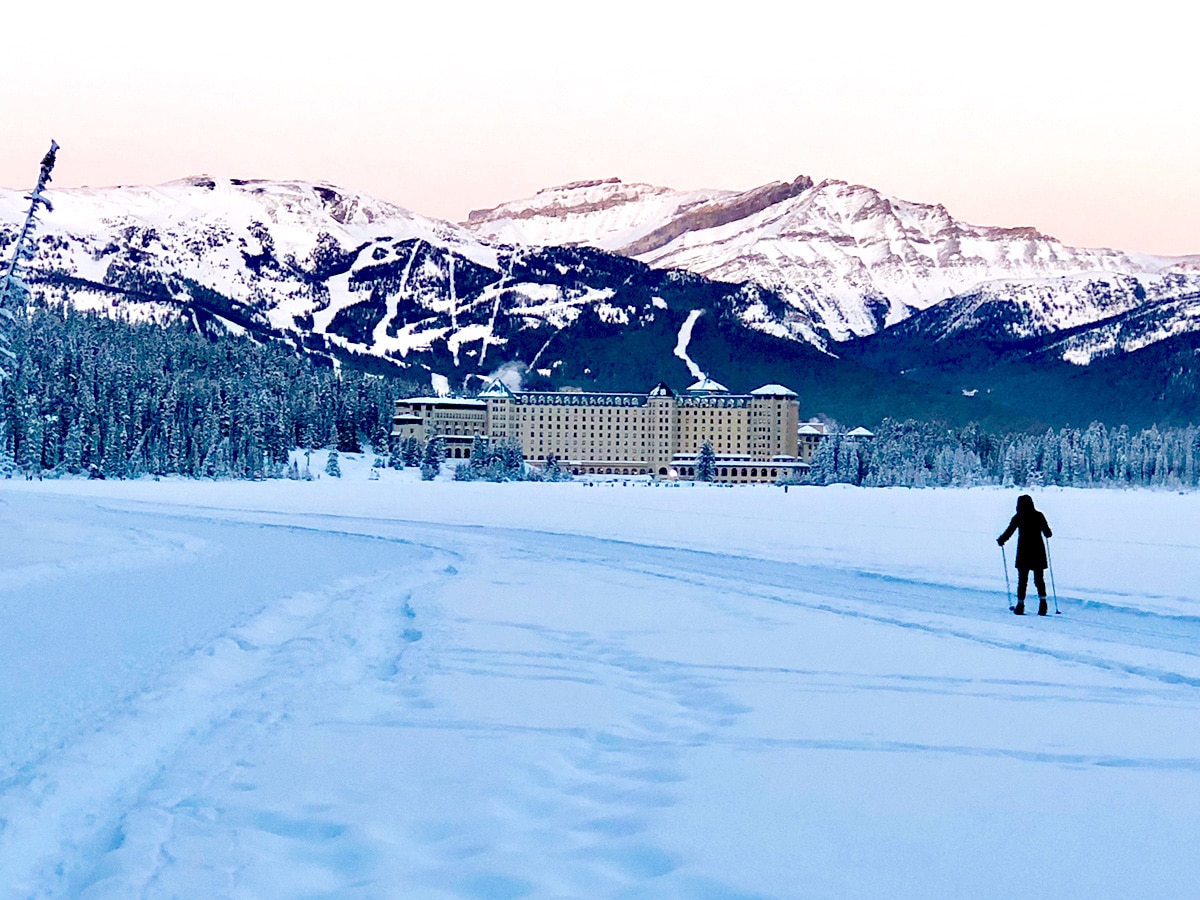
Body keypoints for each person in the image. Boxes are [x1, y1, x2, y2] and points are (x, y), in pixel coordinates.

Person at [997, 494, 1053, 615]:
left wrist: (1001, 540)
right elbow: (1048, 533)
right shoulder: (1039, 515)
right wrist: (1047, 533)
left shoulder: (1018, 517)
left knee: (1022, 580)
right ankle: (1043, 604)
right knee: (1039, 579)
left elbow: (1009, 531)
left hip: (1024, 551)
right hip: (1038, 551)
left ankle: (1020, 605)